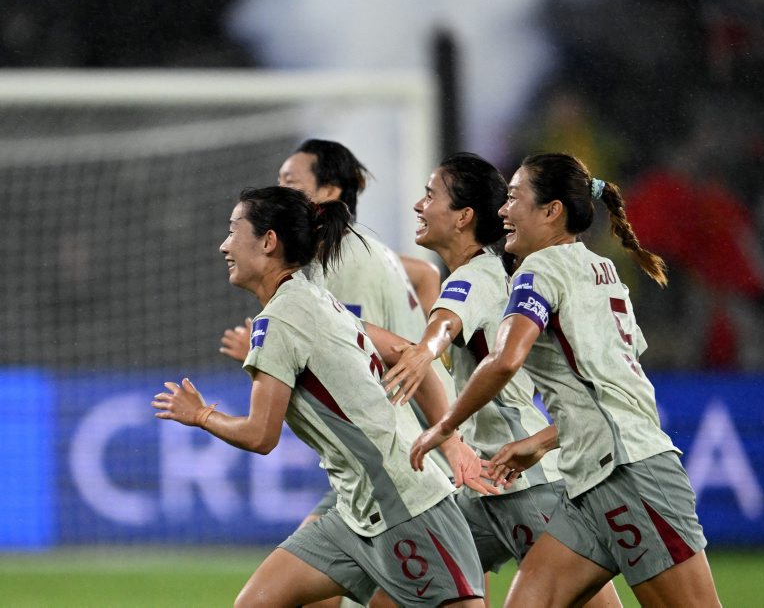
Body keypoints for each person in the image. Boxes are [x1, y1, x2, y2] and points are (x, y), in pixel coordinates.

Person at [410, 153, 722, 607]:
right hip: (588, 483)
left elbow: (504, 361)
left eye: (514, 198)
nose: (503, 211)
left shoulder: (538, 270)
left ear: (551, 211)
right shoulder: (603, 271)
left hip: (630, 475)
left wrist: (443, 427)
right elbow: (610, 391)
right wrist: (541, 441)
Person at [154, 186, 487, 607]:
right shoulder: (314, 298)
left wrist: (201, 415)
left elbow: (260, 435)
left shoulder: (282, 318)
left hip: (405, 504)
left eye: (233, 230)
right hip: (355, 511)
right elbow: (404, 349)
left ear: (268, 241)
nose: (224, 245)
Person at [382, 152, 623, 607]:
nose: (418, 205)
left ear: (463, 217)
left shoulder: (477, 277)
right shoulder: (488, 274)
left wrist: (424, 351)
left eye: (430, 195)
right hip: (485, 483)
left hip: (526, 484)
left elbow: (446, 323)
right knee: (400, 591)